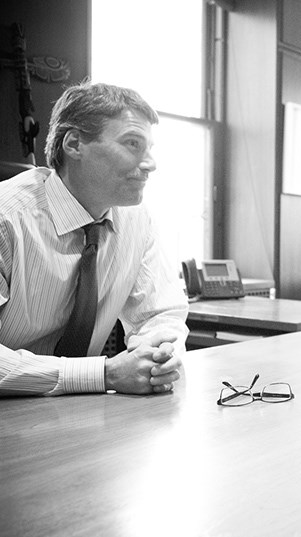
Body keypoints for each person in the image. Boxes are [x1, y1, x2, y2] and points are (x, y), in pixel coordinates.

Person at [0, 81, 189, 397]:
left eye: (149, 149)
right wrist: (105, 374)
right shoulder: (6, 218)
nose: (151, 164)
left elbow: (161, 312)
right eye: (132, 143)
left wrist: (158, 356)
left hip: (83, 411)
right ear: (74, 144)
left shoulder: (137, 220)